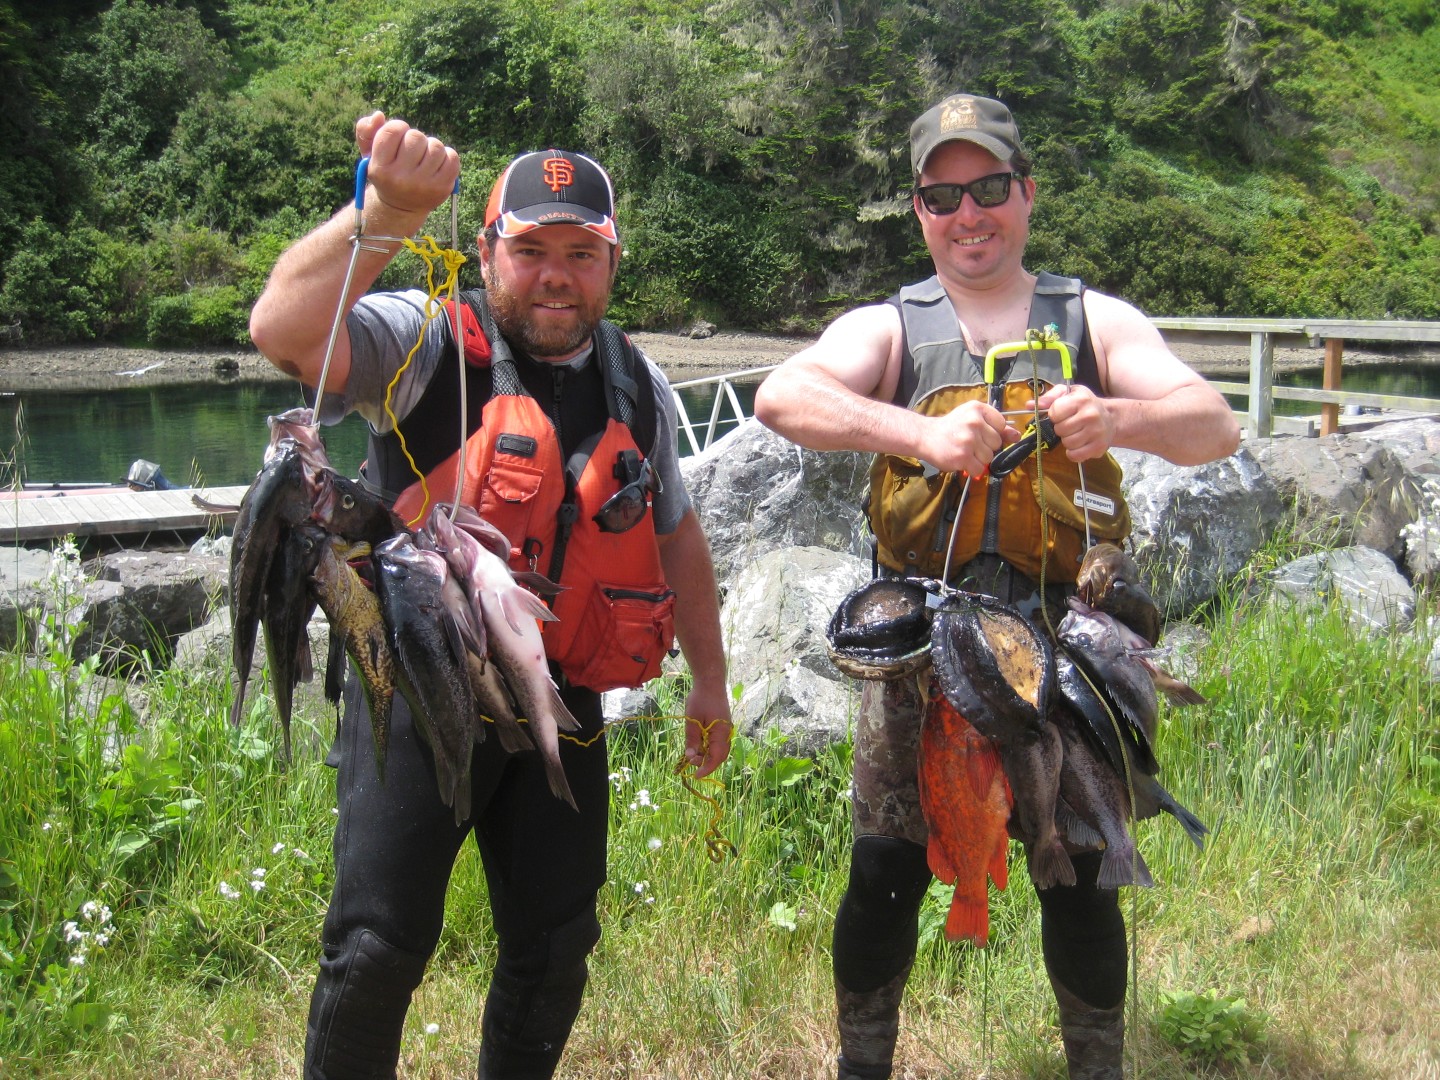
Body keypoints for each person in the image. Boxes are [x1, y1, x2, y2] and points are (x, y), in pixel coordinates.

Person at [753, 92, 1240, 1079]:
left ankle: (1094, 1065)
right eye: (941, 196)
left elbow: (1214, 424)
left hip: (1069, 645)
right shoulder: (889, 326)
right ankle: (863, 1064)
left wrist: (1119, 420)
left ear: (1026, 191)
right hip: (922, 650)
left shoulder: (1094, 320)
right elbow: (782, 395)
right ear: (920, 210)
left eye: (987, 189)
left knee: (1084, 879)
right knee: (884, 872)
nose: (966, 215)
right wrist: (919, 433)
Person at [249, 112, 733, 1079]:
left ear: (613, 261)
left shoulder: (633, 378)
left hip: (564, 699)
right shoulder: (425, 336)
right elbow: (283, 331)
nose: (557, 274)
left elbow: (676, 534)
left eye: (582, 254)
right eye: (532, 249)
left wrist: (709, 684)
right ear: (486, 250)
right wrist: (382, 209)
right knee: (377, 949)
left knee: (555, 952)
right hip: (421, 687)